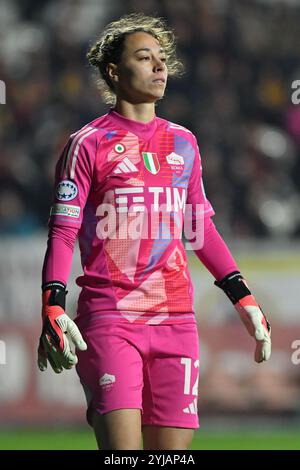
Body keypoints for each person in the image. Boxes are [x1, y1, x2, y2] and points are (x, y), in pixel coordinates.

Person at [37, 13, 271, 451]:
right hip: (110, 318)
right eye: (145, 58)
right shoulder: (87, 144)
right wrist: (53, 304)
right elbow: (63, 232)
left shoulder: (184, 142)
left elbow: (199, 227)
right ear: (114, 72)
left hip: (177, 321)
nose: (160, 67)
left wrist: (244, 298)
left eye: (162, 58)